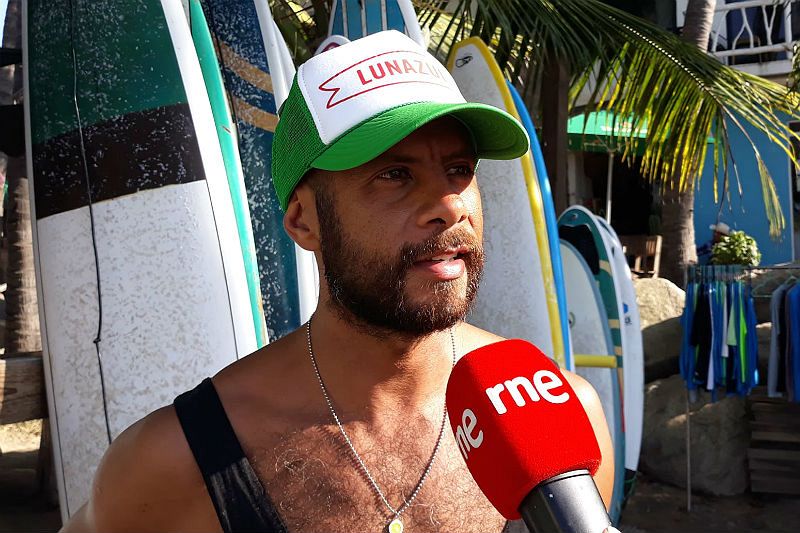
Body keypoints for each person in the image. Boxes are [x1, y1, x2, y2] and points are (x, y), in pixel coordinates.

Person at [61, 31, 613, 533]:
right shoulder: (178, 461)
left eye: (459, 170)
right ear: (304, 219)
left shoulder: (563, 429)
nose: (447, 207)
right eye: (394, 175)